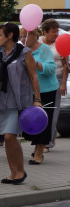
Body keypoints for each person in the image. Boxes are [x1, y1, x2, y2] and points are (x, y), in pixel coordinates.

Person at [0, 22, 43, 184]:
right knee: (6, 138)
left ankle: (20, 171)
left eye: (0, 35)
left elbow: (33, 77)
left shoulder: (24, 53)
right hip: (2, 101)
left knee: (10, 136)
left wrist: (37, 99)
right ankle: (12, 172)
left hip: (19, 102)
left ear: (10, 35)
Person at [23, 26, 57, 165]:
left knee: (43, 122)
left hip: (47, 90)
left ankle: (38, 153)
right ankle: (37, 146)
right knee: (30, 122)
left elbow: (51, 68)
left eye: (24, 36)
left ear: (33, 35)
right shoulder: (23, 51)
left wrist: (35, 63)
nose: (22, 40)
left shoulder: (44, 49)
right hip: (29, 91)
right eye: (20, 37)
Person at [41, 19, 69, 149]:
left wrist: (63, 83)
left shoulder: (60, 43)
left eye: (57, 31)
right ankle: (42, 138)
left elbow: (65, 66)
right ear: (45, 32)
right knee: (41, 110)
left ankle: (47, 140)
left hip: (56, 79)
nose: (56, 34)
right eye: (53, 31)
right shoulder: (39, 43)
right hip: (40, 80)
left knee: (53, 111)